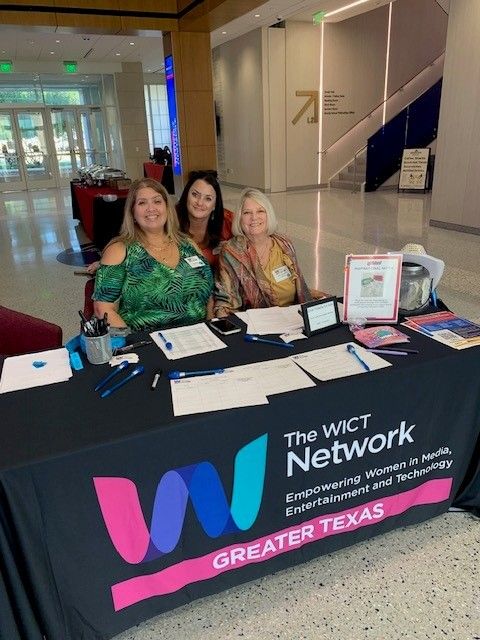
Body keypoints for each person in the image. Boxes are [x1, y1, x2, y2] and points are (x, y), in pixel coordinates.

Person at [92, 178, 214, 332]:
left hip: (199, 336)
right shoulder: (119, 251)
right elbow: (103, 309)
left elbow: (209, 295)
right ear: (132, 212)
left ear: (167, 208)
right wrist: (134, 342)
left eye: (157, 201)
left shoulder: (188, 244)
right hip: (145, 341)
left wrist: (213, 330)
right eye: (142, 203)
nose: (151, 208)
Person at [214, 188, 326, 317]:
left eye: (260, 211)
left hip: (293, 318)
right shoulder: (231, 252)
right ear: (239, 218)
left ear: (269, 215)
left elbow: (300, 288)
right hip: (255, 323)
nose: (254, 217)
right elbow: (225, 303)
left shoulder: (284, 244)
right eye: (247, 213)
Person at [176, 169, 233, 268]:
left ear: (215, 205)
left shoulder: (227, 220)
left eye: (208, 198)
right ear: (186, 195)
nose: (200, 203)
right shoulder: (171, 219)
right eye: (195, 195)